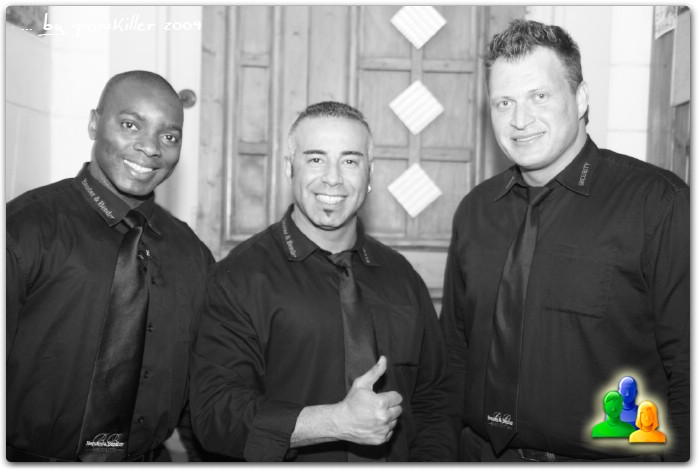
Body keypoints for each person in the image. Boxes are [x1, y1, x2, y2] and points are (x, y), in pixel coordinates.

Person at [440, 19, 689, 462]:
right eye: (503, 102)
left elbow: (689, 369)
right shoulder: (475, 211)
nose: (520, 120)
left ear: (580, 98)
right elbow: (454, 357)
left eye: (539, 96)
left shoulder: (658, 204)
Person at [190, 101, 458, 461]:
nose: (333, 177)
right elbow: (215, 415)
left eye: (350, 161)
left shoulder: (403, 278)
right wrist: (334, 422)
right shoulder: (237, 278)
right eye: (316, 159)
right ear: (290, 168)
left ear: (370, 173)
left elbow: (435, 401)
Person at [6, 70, 214, 461]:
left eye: (169, 136)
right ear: (93, 124)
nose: (150, 148)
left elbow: (199, 389)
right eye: (131, 125)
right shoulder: (22, 230)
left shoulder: (193, 255)